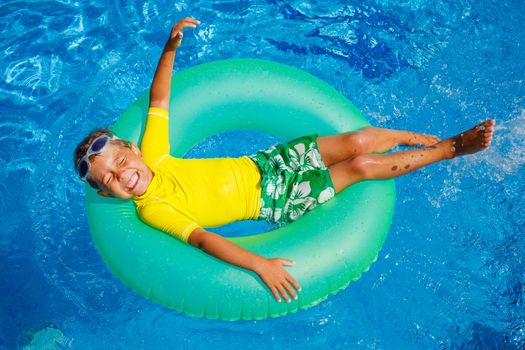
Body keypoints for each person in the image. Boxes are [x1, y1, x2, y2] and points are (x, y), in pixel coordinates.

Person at [74, 17, 495, 304]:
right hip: (278, 200)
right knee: (361, 167)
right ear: (107, 195)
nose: (122, 176)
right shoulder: (151, 210)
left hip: (268, 162)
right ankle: (450, 149)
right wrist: (260, 263)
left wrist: (169, 47)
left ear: (134, 150)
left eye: (119, 162)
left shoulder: (159, 153)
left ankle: (418, 138)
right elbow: (202, 239)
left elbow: (161, 99)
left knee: (359, 139)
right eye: (109, 179)